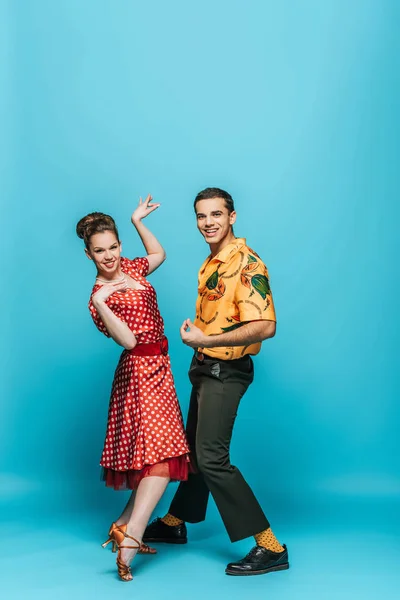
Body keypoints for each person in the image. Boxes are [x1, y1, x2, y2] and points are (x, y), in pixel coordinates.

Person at [143, 187, 289, 576]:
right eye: (201, 216)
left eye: (216, 215)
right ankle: (176, 523)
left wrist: (207, 340)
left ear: (232, 217)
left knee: (211, 457)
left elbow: (265, 326)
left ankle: (270, 546)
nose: (208, 223)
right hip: (205, 366)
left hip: (227, 371)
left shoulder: (247, 264)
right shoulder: (212, 262)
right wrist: (201, 340)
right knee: (194, 448)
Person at [76, 196, 191, 582]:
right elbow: (127, 341)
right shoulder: (97, 300)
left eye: (112, 247)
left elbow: (158, 253)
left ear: (120, 246)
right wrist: (102, 301)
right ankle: (131, 538)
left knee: (156, 454)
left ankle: (123, 523)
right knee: (163, 454)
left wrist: (137, 220)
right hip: (139, 373)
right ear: (89, 254)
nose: (108, 257)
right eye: (99, 251)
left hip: (162, 367)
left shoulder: (133, 268)